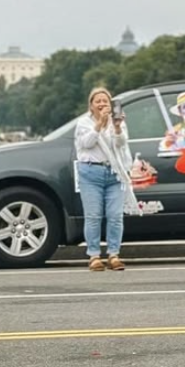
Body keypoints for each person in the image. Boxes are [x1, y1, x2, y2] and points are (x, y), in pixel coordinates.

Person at [74, 86, 138, 272]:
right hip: (91, 172)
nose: (102, 104)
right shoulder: (83, 123)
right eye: (98, 101)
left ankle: (113, 254)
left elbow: (121, 144)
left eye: (105, 101)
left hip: (114, 172)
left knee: (115, 216)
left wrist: (116, 127)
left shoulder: (116, 121)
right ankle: (94, 255)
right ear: (91, 105)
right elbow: (86, 143)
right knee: (93, 215)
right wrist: (99, 125)